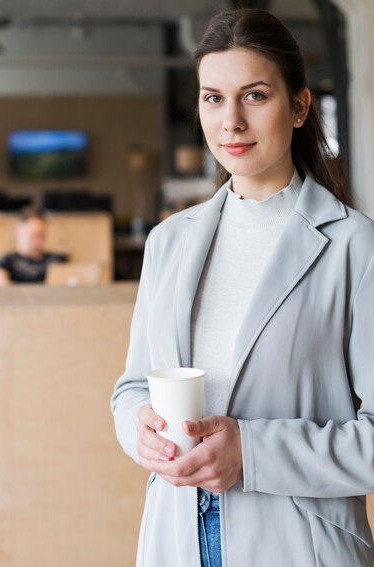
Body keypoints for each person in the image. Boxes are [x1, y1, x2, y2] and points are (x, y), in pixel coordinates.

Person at [111, 8, 373, 567]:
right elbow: (131, 387)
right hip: (176, 535)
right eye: (213, 97)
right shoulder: (168, 242)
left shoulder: (355, 247)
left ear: (300, 106)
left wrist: (251, 454)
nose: (230, 122)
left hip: (298, 542)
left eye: (254, 96)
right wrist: (141, 432)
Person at [0, 207, 68, 286]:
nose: (38, 242)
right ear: (19, 231)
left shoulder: (57, 260)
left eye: (41, 235)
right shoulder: (7, 262)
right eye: (33, 236)